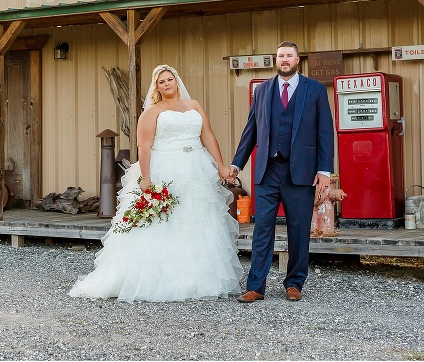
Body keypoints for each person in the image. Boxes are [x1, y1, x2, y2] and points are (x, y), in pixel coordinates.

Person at [69, 64, 243, 302]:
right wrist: (146, 177)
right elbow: (144, 146)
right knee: (164, 223)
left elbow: (208, 136)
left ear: (177, 80)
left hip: (196, 168)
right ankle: (157, 280)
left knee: (197, 220)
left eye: (170, 79)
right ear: (157, 87)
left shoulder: (194, 106)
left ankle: (197, 280)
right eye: (161, 82)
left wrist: (221, 165)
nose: (167, 84)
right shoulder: (152, 111)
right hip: (166, 169)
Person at [229, 41, 334, 303]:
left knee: (298, 230)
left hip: (301, 172)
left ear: (298, 60)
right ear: (276, 61)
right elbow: (250, 129)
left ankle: (294, 283)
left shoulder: (315, 90)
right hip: (268, 171)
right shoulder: (263, 91)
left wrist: (324, 171)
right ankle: (256, 287)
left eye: (289, 56)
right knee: (262, 229)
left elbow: (325, 132)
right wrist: (237, 163)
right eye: (280, 56)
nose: (284, 60)